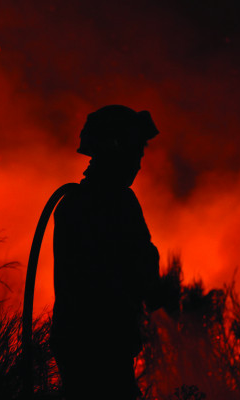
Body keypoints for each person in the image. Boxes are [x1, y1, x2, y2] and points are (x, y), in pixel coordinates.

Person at [50, 105, 161, 399]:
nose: (138, 164)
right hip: (99, 341)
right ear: (116, 149)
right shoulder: (112, 203)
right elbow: (133, 265)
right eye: (136, 153)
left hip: (81, 339)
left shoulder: (77, 203)